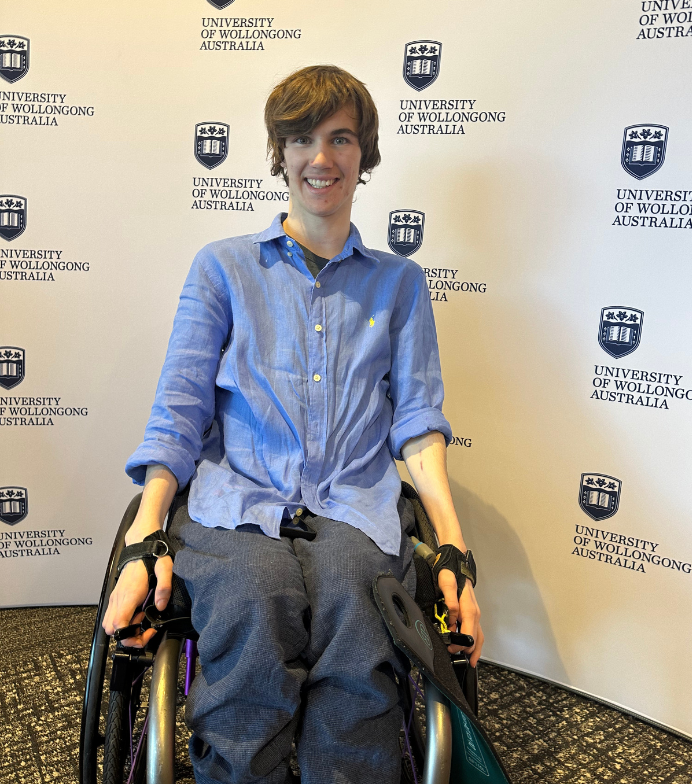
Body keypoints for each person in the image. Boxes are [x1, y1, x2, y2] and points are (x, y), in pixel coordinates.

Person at [102, 64, 484, 784]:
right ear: (279, 153)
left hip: (354, 503)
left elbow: (418, 425)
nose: (321, 157)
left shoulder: (400, 284)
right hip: (237, 503)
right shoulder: (222, 269)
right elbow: (178, 413)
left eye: (341, 138)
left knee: (359, 603)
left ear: (364, 155)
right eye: (302, 138)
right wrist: (142, 535)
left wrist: (456, 552)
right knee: (253, 599)